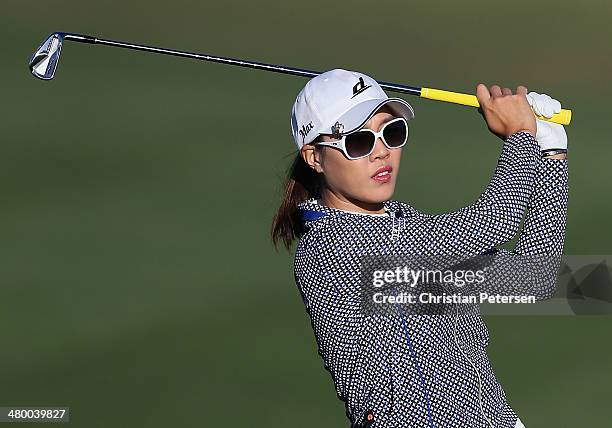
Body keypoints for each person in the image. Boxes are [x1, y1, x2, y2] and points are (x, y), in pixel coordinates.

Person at [271, 68, 568, 428]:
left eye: (390, 133)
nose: (381, 153)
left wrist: (551, 154)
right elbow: (495, 220)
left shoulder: (404, 225)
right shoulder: (332, 246)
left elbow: (532, 278)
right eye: (359, 142)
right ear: (314, 157)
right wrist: (521, 136)